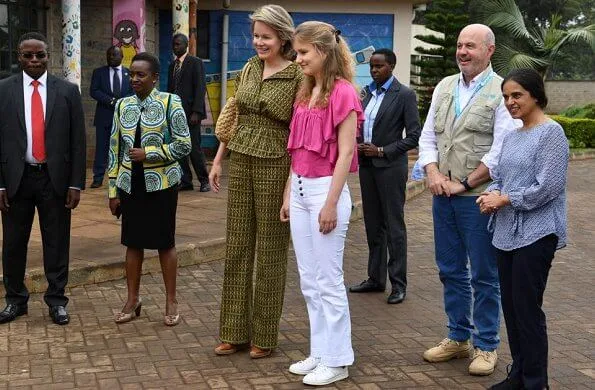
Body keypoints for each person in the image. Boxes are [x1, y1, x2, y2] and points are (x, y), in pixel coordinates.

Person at [417, 24, 519, 376]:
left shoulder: (501, 91)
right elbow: (428, 135)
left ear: (489, 50)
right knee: (449, 271)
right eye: (460, 45)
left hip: (477, 200)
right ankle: (457, 337)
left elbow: (502, 148)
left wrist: (463, 183)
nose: (462, 51)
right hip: (442, 196)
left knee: (485, 275)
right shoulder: (445, 86)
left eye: (471, 46)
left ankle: (486, 345)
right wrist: (431, 173)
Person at [209, 4, 302, 358]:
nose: (259, 42)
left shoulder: (297, 75)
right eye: (256, 36)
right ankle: (233, 332)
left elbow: (298, 133)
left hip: (276, 163)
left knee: (270, 252)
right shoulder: (249, 67)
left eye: (266, 36)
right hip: (242, 158)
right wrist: (219, 160)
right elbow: (233, 113)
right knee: (236, 246)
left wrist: (290, 190)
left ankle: (264, 336)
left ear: (282, 37)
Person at [283, 21, 363, 386]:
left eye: (303, 53)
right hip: (300, 191)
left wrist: (330, 204)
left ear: (323, 51)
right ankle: (320, 351)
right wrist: (288, 194)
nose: (297, 59)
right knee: (309, 280)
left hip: (324, 193)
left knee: (329, 281)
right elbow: (297, 150)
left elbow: (346, 153)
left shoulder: (343, 92)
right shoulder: (306, 91)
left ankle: (338, 359)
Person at [478, 68, 568, 390]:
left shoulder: (551, 133)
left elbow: (549, 187)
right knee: (512, 308)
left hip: (538, 232)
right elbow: (501, 175)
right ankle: (518, 375)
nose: (510, 102)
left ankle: (535, 382)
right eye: (505, 97)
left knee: (528, 310)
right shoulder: (512, 135)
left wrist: (505, 199)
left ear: (535, 95)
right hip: (506, 233)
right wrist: (492, 193)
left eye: (517, 95)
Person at [0, 32, 86, 325]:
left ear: (49, 56)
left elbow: (78, 141)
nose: (35, 60)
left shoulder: (67, 91)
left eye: (40, 55)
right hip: (16, 180)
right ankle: (15, 300)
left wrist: (76, 183)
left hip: (55, 180)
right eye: (28, 55)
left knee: (57, 242)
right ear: (19, 57)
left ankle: (57, 300)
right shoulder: (4, 90)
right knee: (12, 243)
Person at [107, 52, 191, 326]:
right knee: (132, 242)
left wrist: (150, 153)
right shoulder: (122, 106)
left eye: (140, 75)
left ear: (155, 78)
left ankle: (171, 301)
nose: (134, 79)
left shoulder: (170, 103)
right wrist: (112, 190)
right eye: (132, 74)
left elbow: (184, 144)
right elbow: (114, 150)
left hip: (162, 185)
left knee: (165, 243)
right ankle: (132, 300)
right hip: (130, 185)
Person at [349, 48, 421, 304]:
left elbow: (413, 136)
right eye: (371, 66)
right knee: (372, 224)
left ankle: (398, 284)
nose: (374, 70)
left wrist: (381, 150)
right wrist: (357, 143)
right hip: (367, 168)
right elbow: (359, 125)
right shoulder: (365, 94)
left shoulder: (404, 95)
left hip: (390, 168)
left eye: (379, 66)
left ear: (391, 66)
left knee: (394, 226)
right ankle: (375, 279)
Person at [167, 33, 210, 192]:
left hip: (191, 114)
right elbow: (170, 90)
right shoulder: (173, 65)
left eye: (178, 44)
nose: (175, 47)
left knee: (194, 149)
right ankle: (186, 181)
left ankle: (204, 180)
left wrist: (197, 112)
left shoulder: (195, 62)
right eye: (174, 44)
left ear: (186, 45)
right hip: (176, 114)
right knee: (179, 148)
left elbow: (200, 87)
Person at [89, 46, 133, 188]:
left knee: (123, 147)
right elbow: (94, 91)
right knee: (102, 148)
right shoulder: (99, 72)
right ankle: (98, 177)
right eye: (109, 55)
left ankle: (122, 176)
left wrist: (121, 102)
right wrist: (111, 101)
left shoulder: (129, 73)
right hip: (104, 116)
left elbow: (133, 92)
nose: (111, 57)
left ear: (121, 57)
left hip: (123, 117)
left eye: (114, 55)